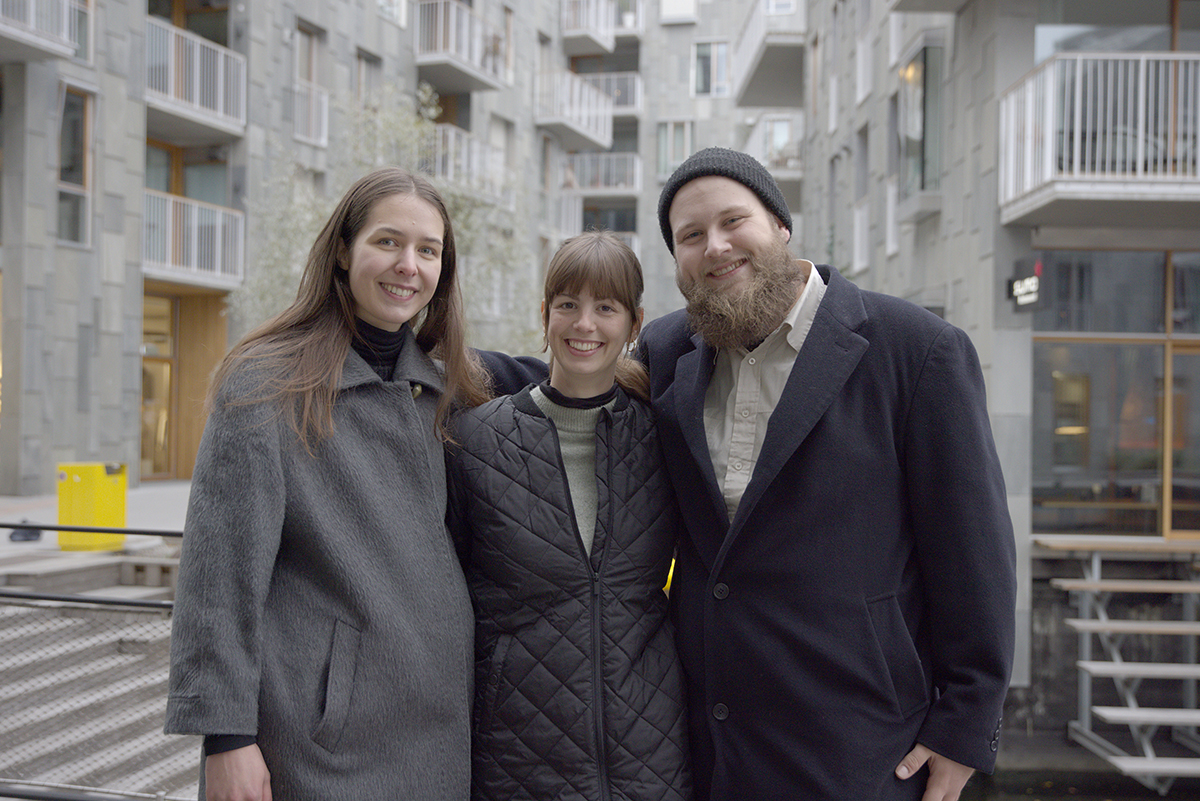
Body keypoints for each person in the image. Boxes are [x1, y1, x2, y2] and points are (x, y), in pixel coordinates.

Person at [479, 149, 1017, 800]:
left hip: (860, 750)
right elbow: (574, 374)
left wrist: (965, 725)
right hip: (711, 752)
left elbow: (975, 554)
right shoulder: (670, 349)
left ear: (781, 226)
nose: (716, 246)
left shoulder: (916, 350)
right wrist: (430, 359)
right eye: (690, 235)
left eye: (735, 221)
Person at [164, 167, 491, 800]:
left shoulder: (446, 392)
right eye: (387, 242)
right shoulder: (266, 384)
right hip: (322, 744)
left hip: (443, 731)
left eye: (428, 251)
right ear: (343, 250)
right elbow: (219, 573)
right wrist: (226, 739)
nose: (408, 265)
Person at [448, 231, 691, 801]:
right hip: (517, 754)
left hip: (653, 754)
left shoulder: (666, 438)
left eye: (605, 307)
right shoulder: (476, 441)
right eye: (568, 305)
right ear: (545, 314)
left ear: (633, 325)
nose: (585, 324)